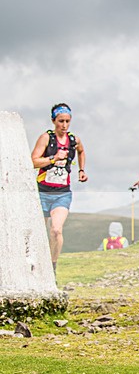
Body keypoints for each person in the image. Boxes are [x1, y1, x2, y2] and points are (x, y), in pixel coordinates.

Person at [30, 103, 88, 274]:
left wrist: (82, 170)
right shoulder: (46, 138)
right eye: (61, 121)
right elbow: (33, 161)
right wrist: (53, 158)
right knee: (39, 233)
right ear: (53, 121)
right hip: (42, 192)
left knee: (56, 230)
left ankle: (52, 267)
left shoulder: (73, 140)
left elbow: (81, 151)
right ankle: (35, 266)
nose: (64, 125)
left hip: (62, 194)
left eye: (67, 121)